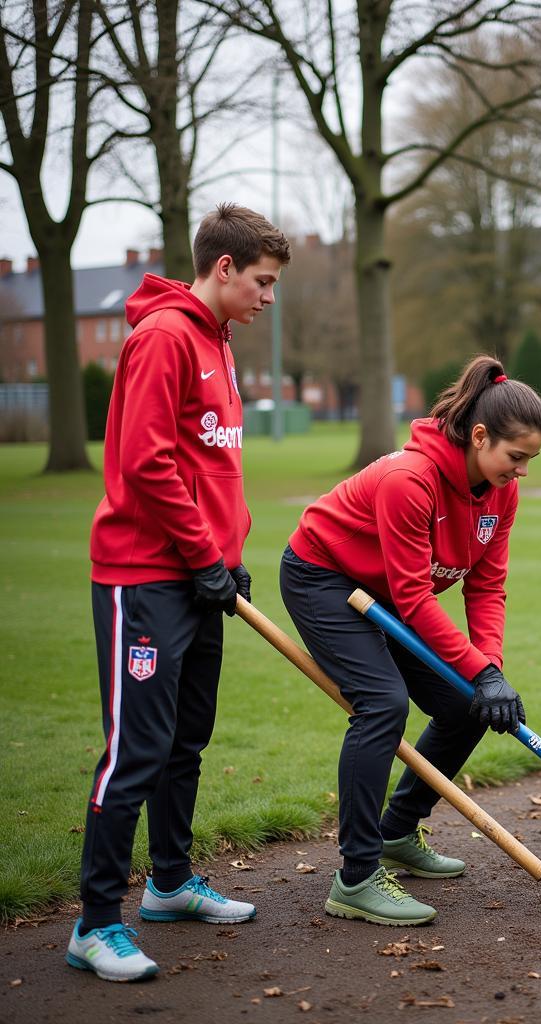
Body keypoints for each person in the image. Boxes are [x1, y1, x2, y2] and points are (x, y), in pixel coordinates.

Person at [67, 205, 291, 982]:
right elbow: (147, 464)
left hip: (201, 576)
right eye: (261, 281)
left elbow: (213, 467)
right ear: (223, 267)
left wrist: (227, 558)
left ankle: (167, 884)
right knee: (137, 751)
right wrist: (203, 557)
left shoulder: (219, 343)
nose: (268, 297)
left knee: (185, 743)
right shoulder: (163, 337)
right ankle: (94, 925)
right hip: (147, 577)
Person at [280, 356, 541, 926]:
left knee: (465, 706)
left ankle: (396, 831)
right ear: (480, 436)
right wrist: (480, 671)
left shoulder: (502, 494)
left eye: (531, 460)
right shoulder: (411, 479)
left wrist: (488, 672)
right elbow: (413, 597)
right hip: (322, 577)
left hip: (387, 594)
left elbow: (487, 585)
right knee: (383, 703)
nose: (522, 471)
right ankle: (354, 878)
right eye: (516, 457)